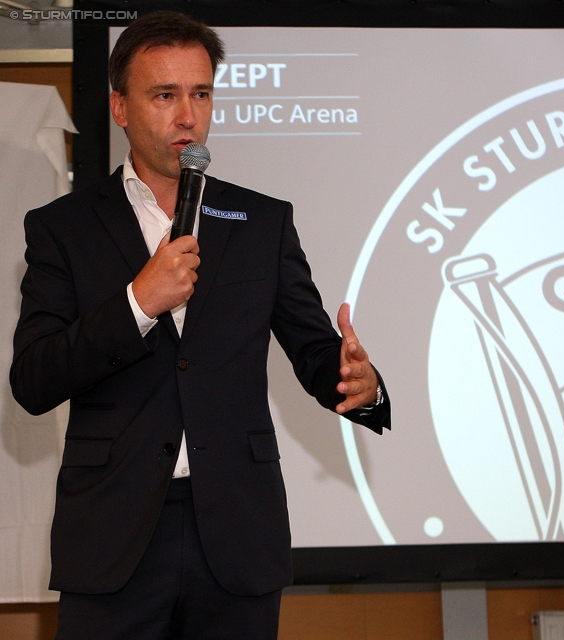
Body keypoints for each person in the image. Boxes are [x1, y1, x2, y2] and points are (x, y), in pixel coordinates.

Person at [10, 10, 390, 640]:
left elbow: (315, 352)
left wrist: (358, 382)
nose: (187, 115)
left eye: (201, 93)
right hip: (112, 540)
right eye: (165, 95)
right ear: (121, 108)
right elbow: (33, 379)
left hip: (236, 535)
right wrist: (138, 301)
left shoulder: (262, 222)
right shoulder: (62, 227)